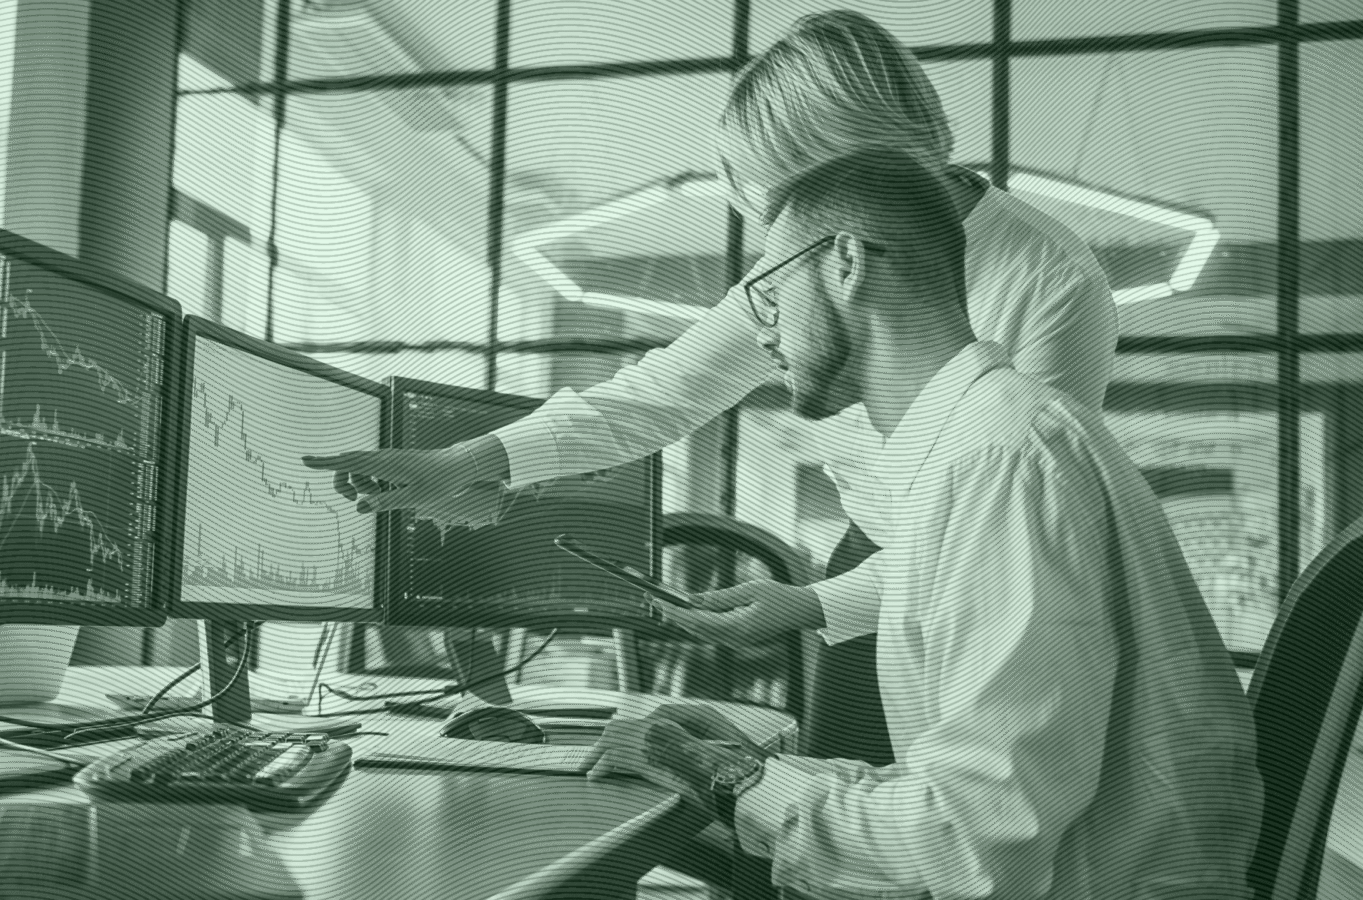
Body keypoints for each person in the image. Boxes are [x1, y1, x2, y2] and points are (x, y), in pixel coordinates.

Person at [302, 9, 1117, 639]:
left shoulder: (1050, 281)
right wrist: (464, 461)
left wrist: (814, 605)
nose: (774, 239)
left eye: (785, 202)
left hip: (996, 571)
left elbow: (1004, 524)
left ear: (858, 172)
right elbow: (656, 396)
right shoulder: (807, 258)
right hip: (874, 548)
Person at [583, 147, 1262, 900]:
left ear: (845, 262)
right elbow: (965, 803)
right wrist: (766, 770)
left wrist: (726, 776)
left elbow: (970, 843)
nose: (762, 332)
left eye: (769, 293)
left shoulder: (996, 463)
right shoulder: (985, 440)